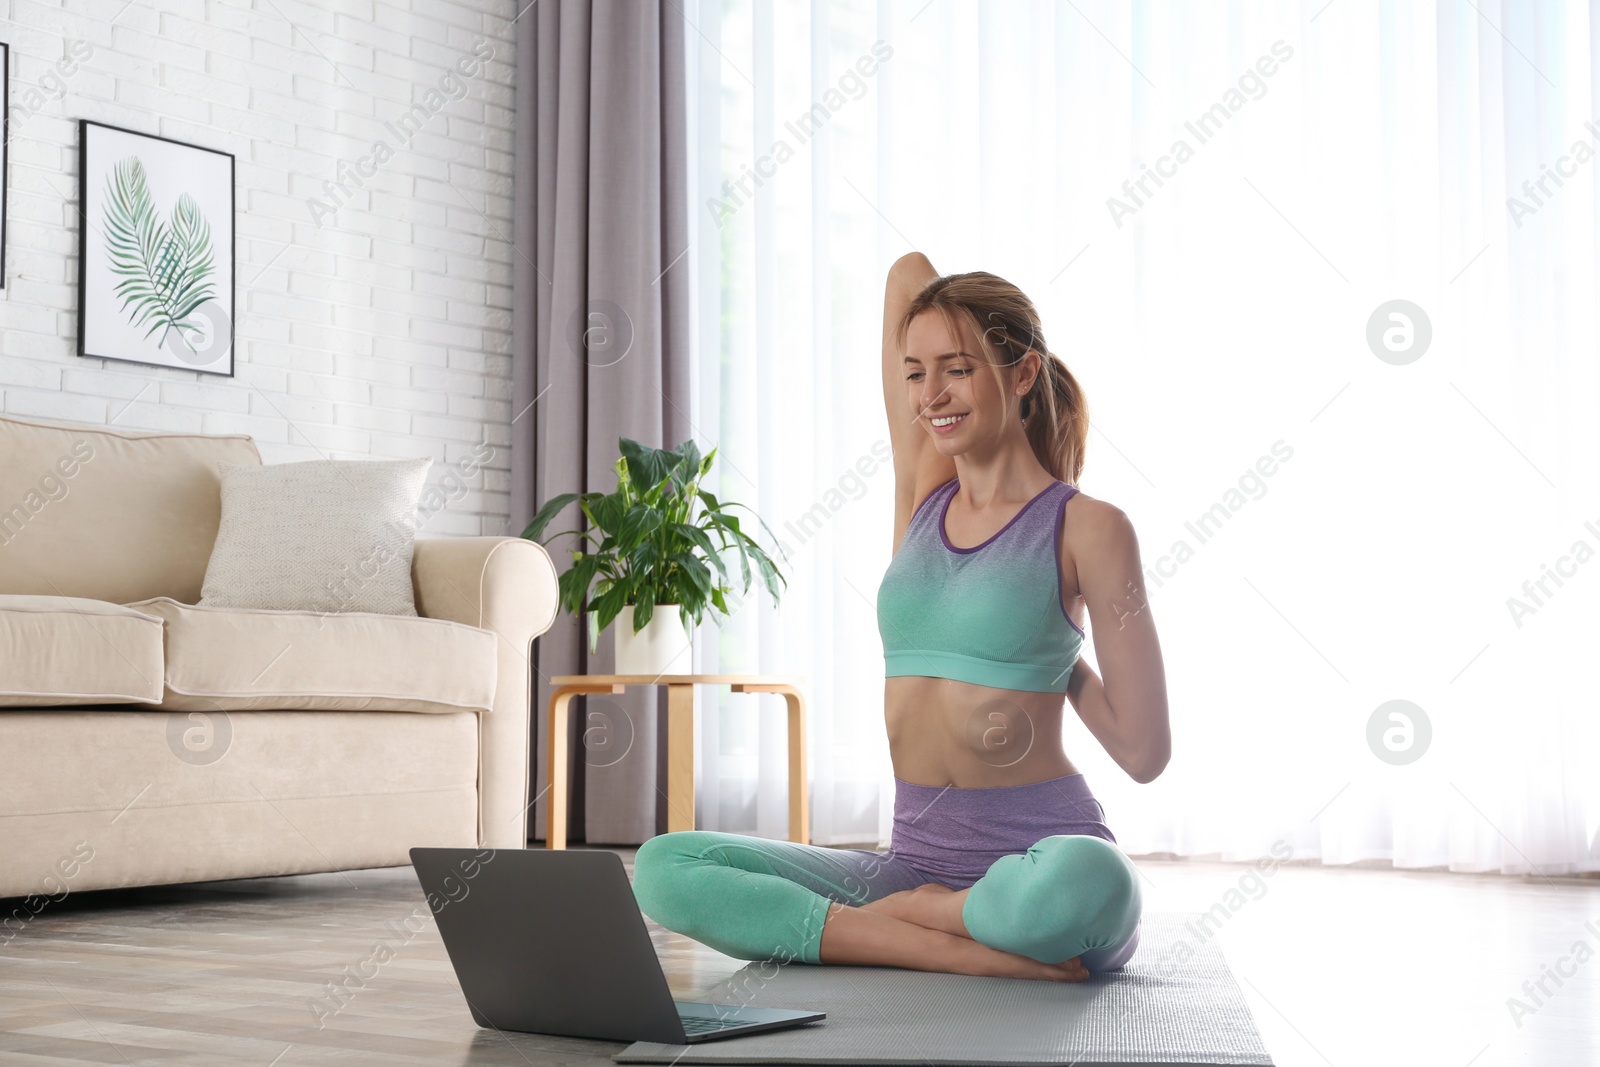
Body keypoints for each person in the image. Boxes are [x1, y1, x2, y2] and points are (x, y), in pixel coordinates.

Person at [631, 251, 1170, 983]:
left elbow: (1144, 753)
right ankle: (943, 940)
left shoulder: (1089, 527)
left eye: (958, 367)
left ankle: (924, 922)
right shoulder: (924, 493)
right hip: (914, 863)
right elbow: (906, 274)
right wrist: (947, 338)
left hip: (1044, 859)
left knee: (1093, 881)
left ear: (1023, 374)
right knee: (666, 866)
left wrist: (1054, 649)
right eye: (916, 372)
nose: (931, 393)